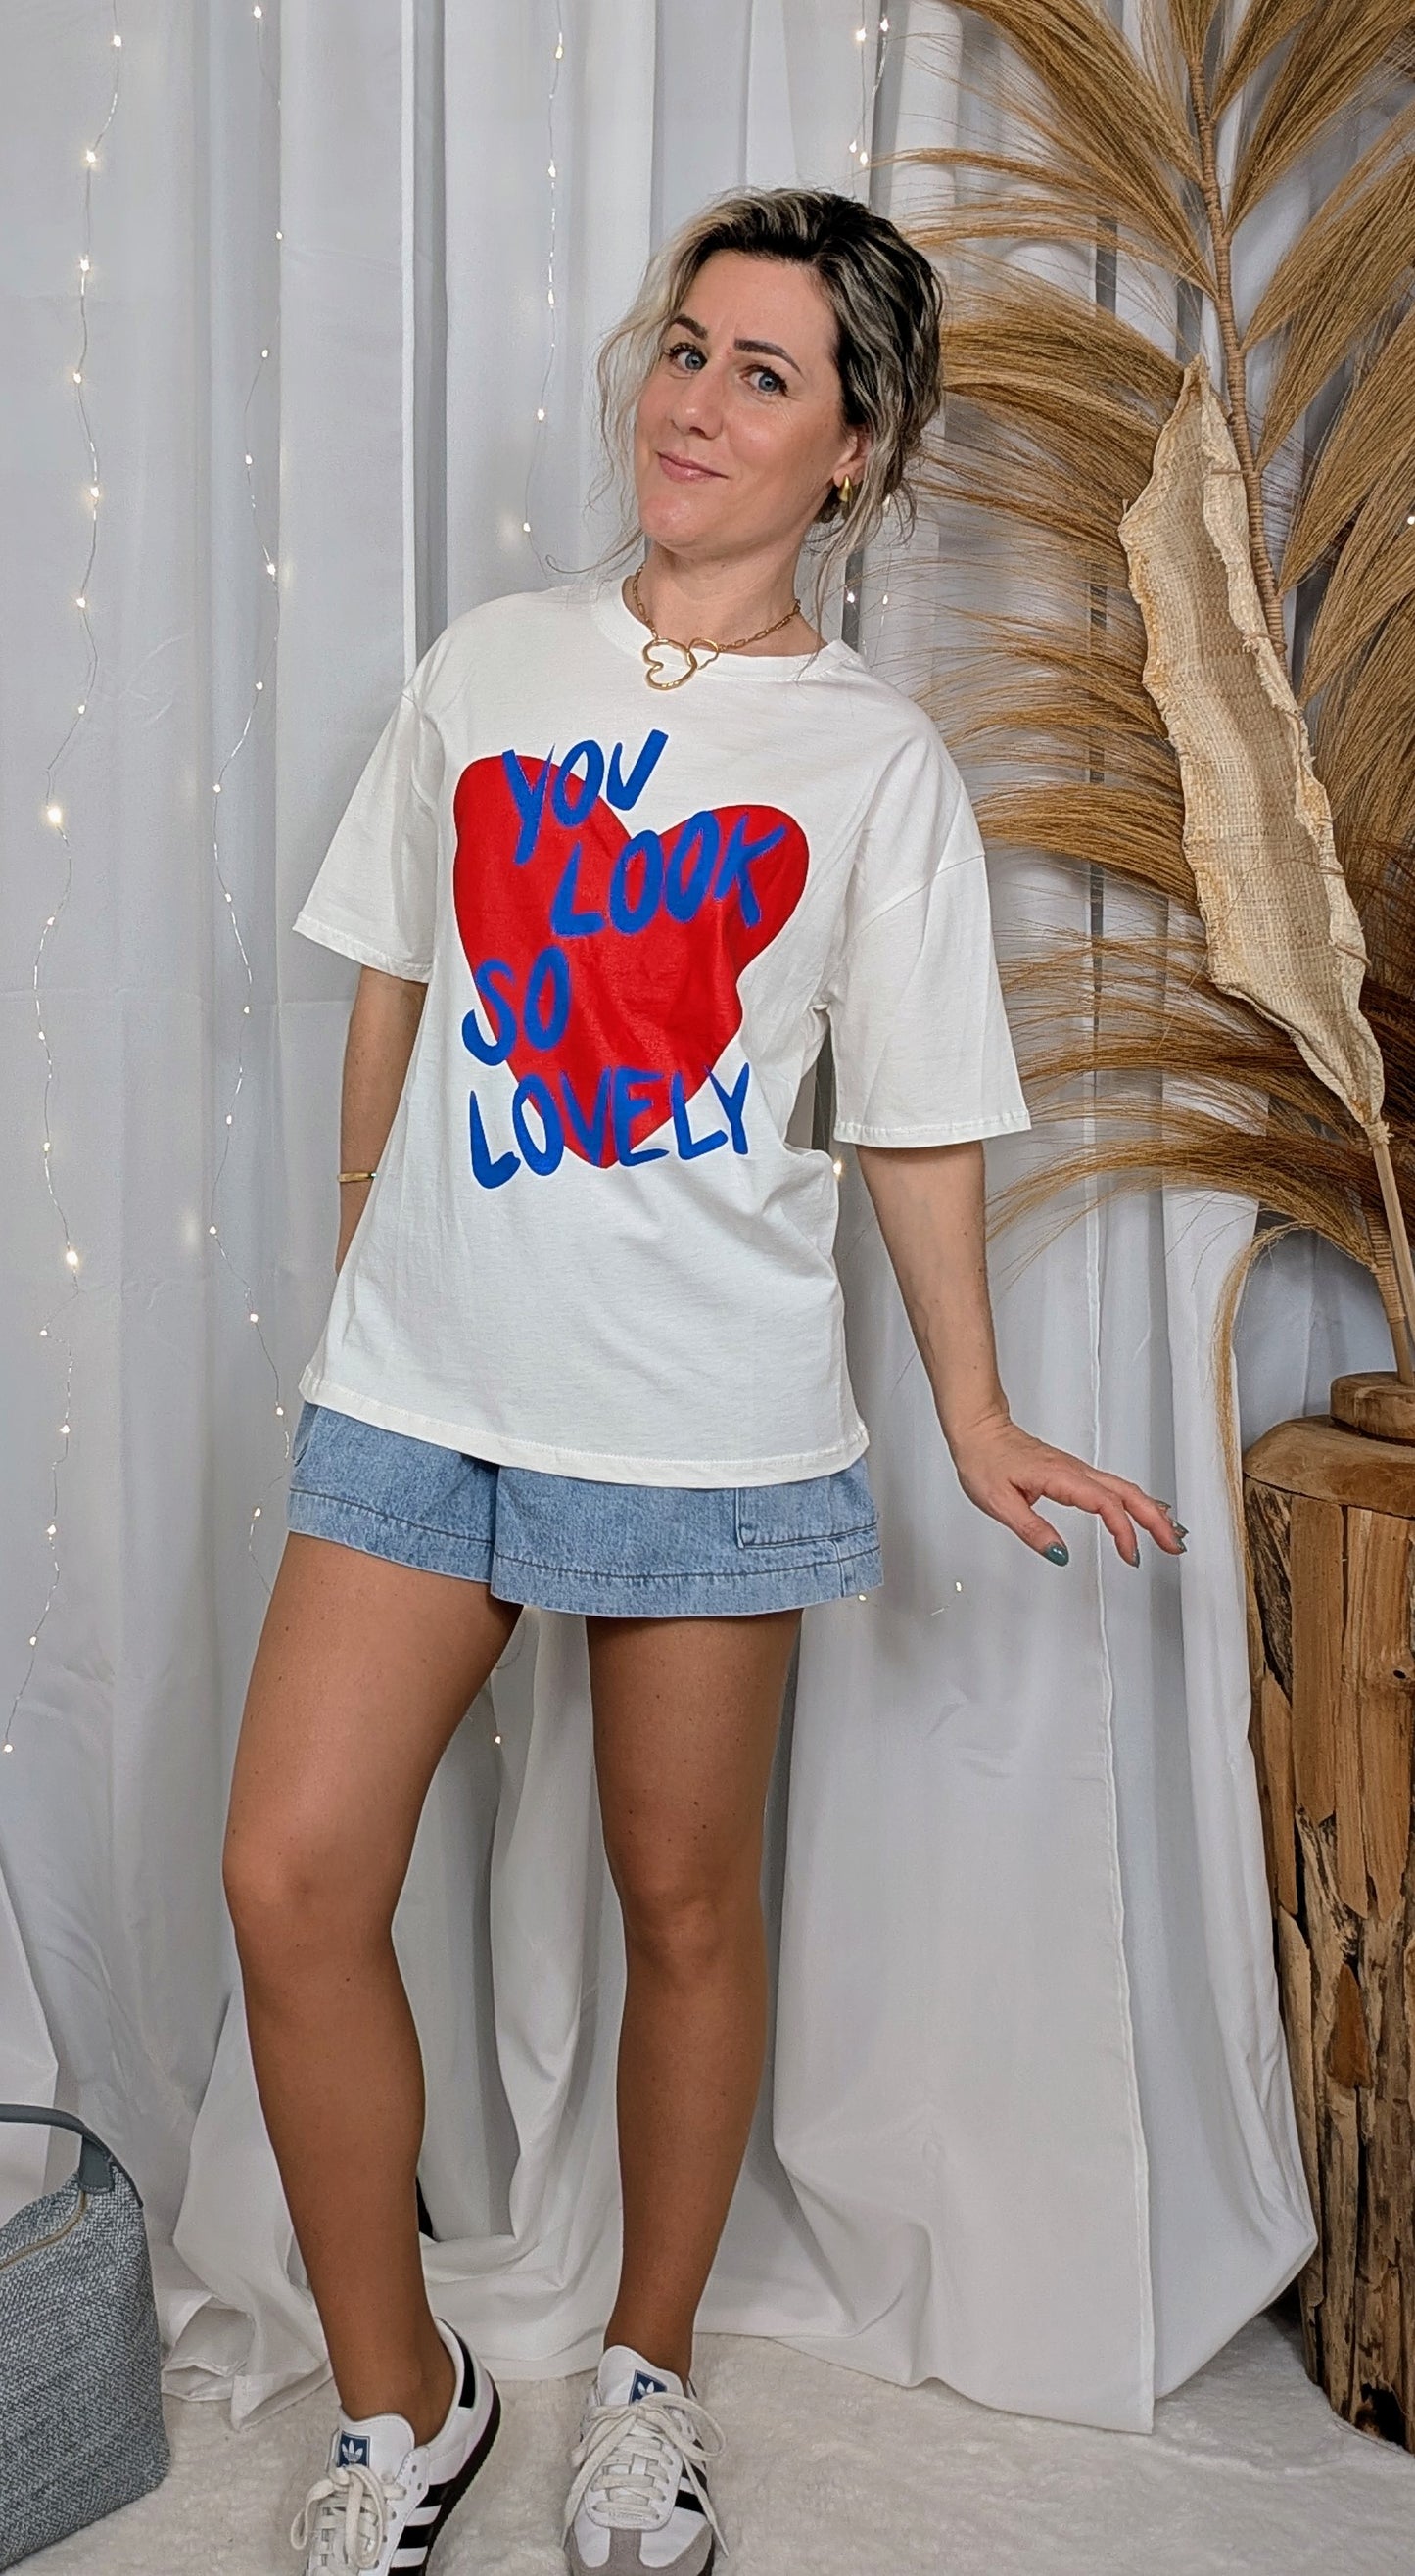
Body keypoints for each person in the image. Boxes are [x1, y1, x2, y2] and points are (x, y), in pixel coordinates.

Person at [222, 184, 1184, 2576]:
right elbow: (394, 996)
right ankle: (400, 2400)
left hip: (705, 1417)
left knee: (681, 1905)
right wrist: (374, 1284)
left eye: (767, 373)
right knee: (288, 1874)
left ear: (855, 449)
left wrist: (971, 1408)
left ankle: (647, 2375)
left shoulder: (874, 762)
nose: (698, 402)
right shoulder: (491, 665)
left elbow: (920, 1122)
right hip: (422, 1390)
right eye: (685, 347)